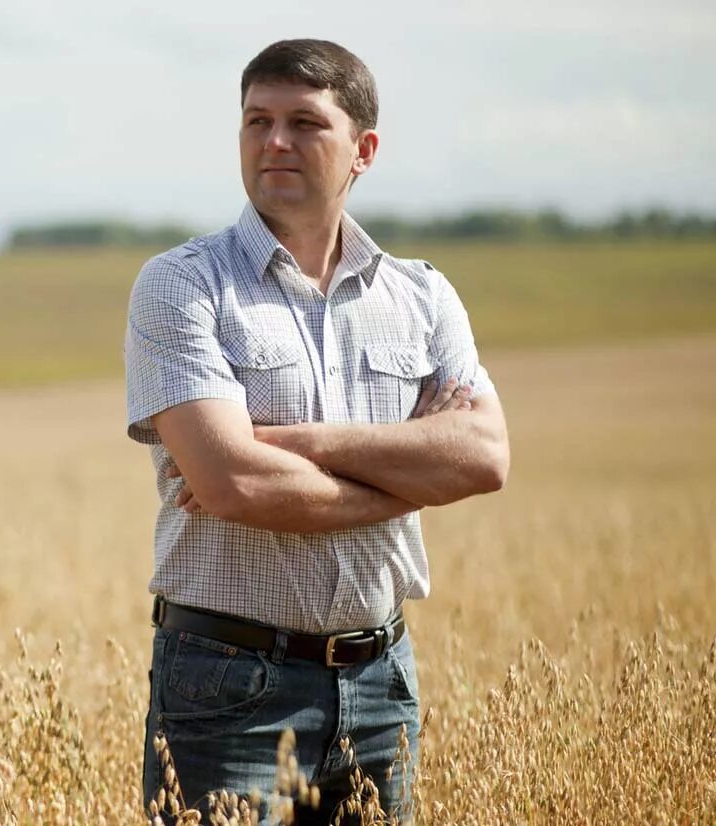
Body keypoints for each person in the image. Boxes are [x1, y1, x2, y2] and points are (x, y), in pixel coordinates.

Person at [122, 38, 511, 823]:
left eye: (304, 123)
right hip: (227, 685)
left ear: (364, 149)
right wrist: (409, 479)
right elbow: (235, 483)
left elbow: (484, 455)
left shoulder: (423, 296)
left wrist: (295, 442)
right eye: (257, 120)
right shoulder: (184, 286)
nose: (274, 141)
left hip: (382, 682)